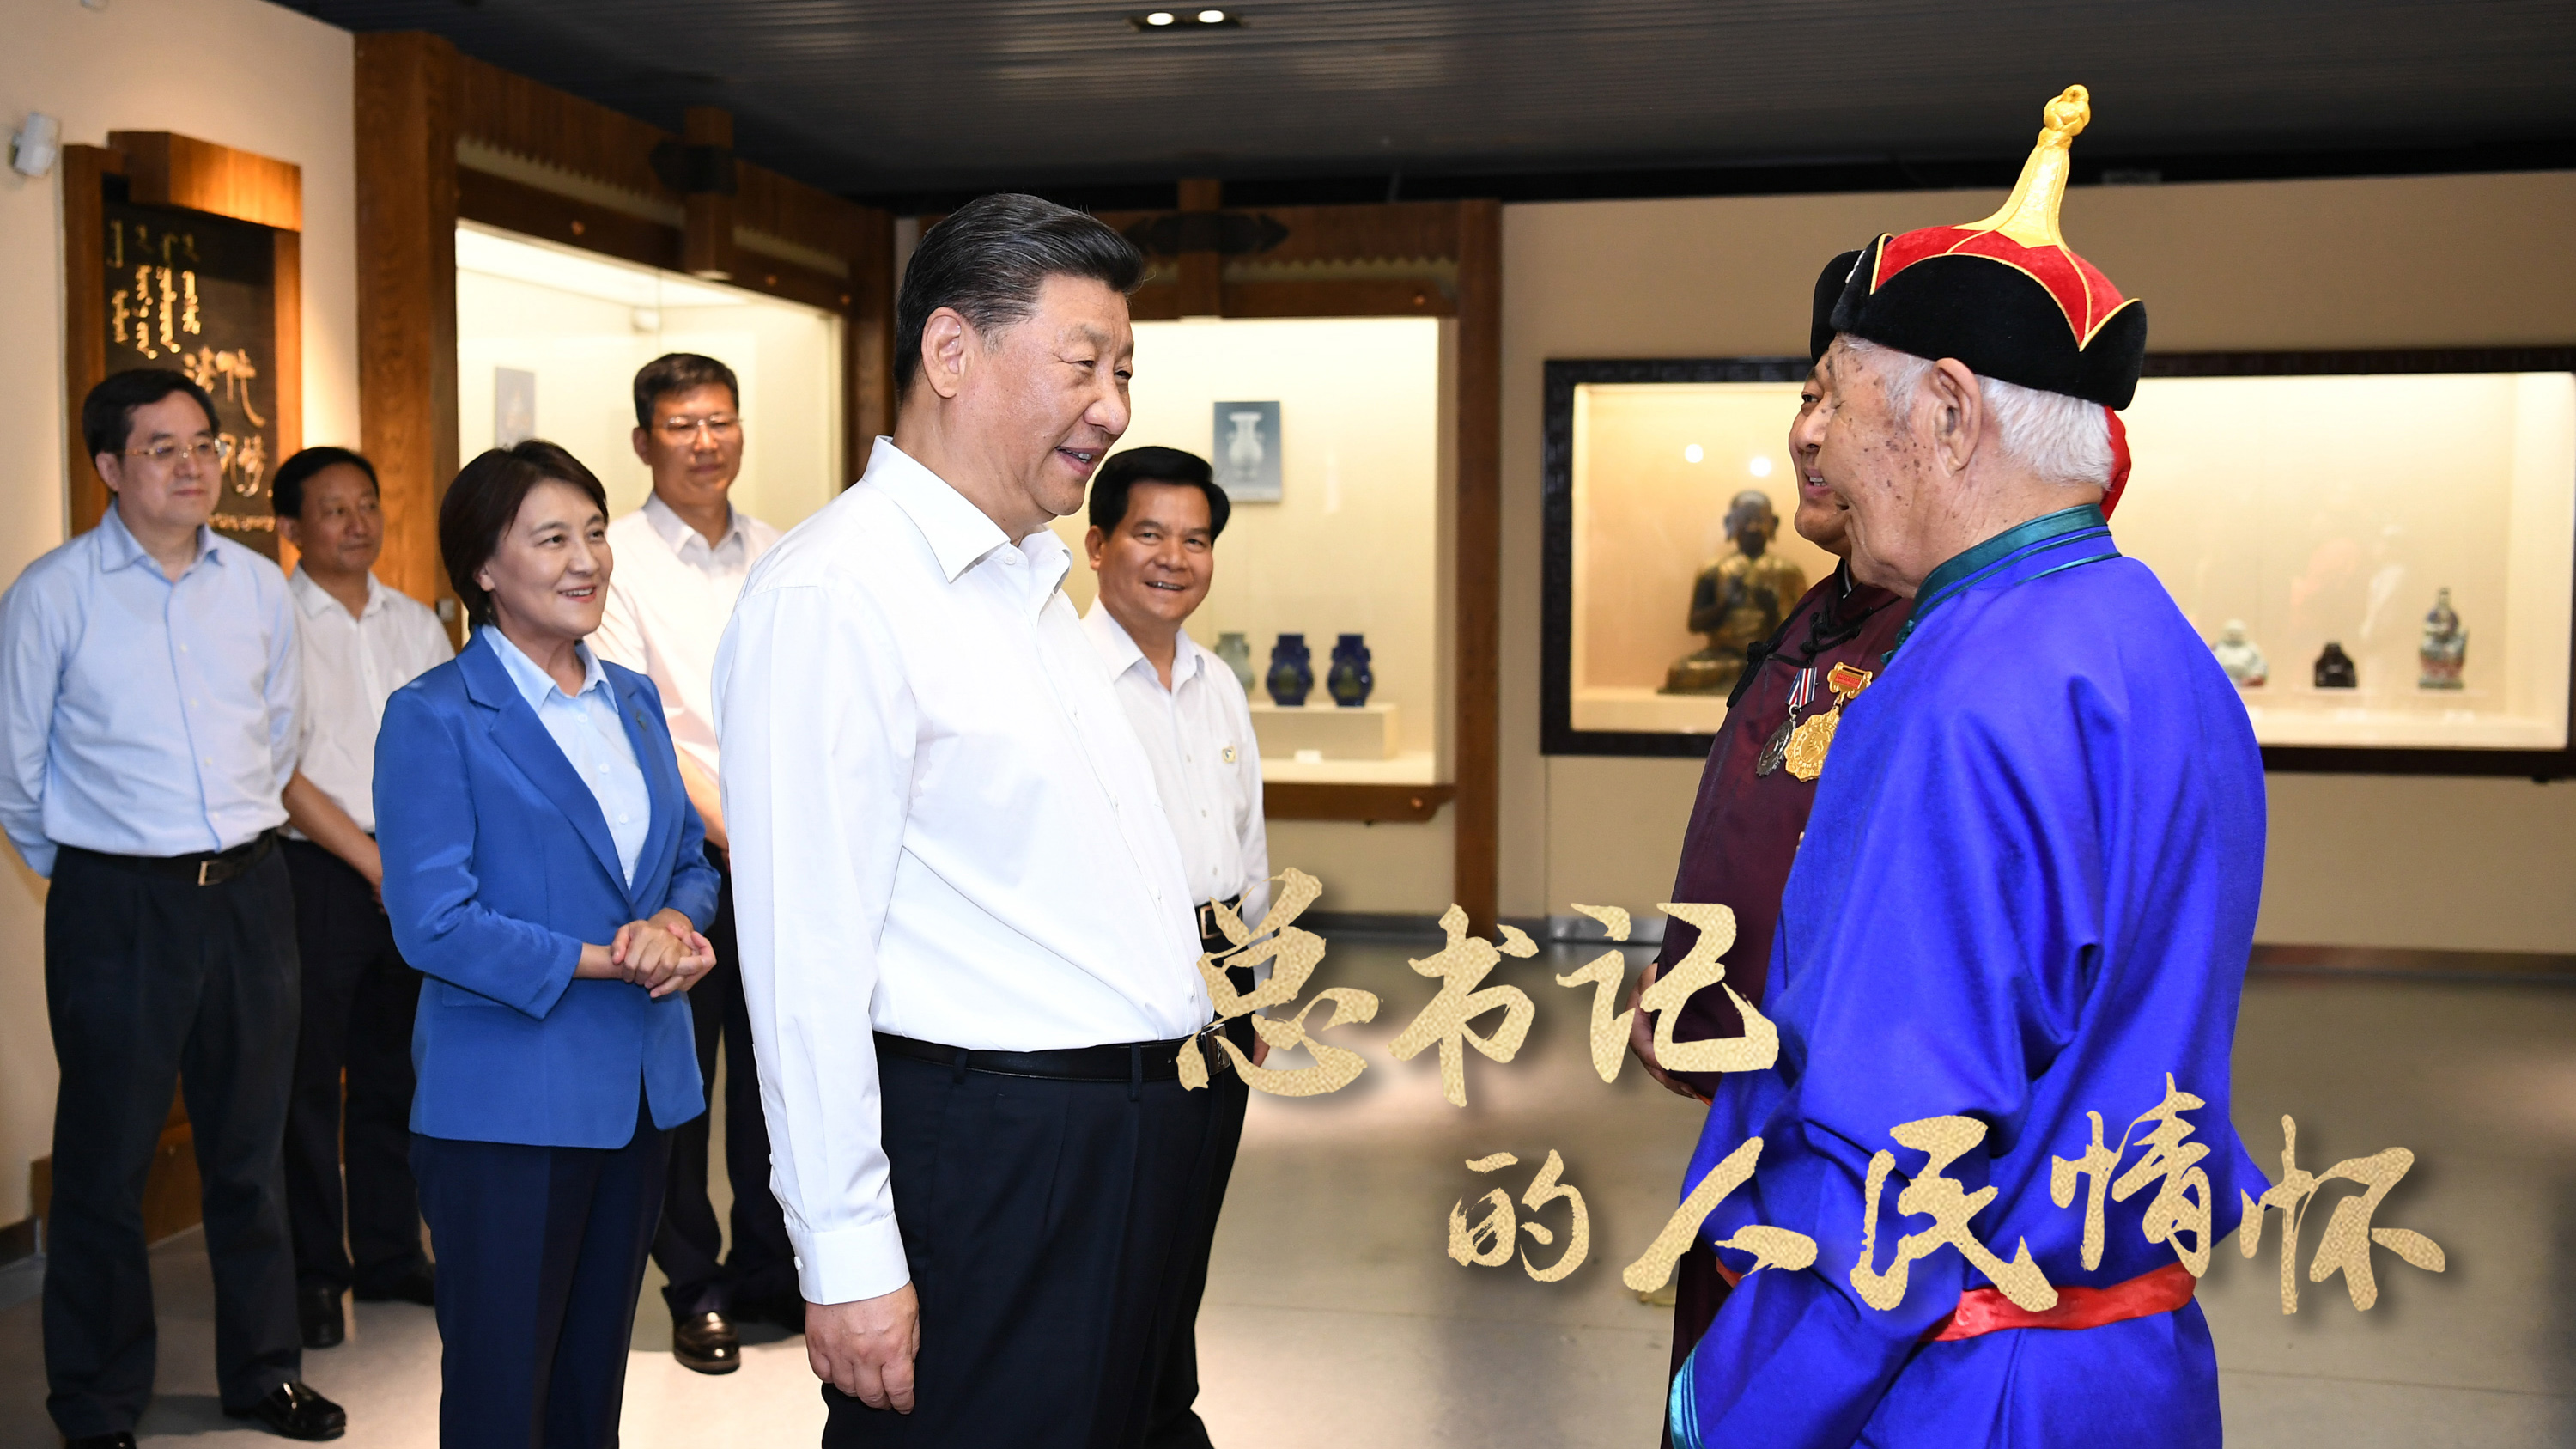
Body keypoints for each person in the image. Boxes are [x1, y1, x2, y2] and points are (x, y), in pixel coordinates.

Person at [1666, 87, 2262, 1449]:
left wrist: (1739, 1400)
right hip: (2132, 1364)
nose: (1809, 438)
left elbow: (1896, 1154)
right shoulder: (2163, 651)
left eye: (1835, 398)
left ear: (1944, 410)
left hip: (1955, 1383)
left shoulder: (1954, 691)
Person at [716, 192, 1215, 1446]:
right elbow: (802, 961)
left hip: (1117, 1147)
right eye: (1083, 364)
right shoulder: (838, 592)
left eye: (1125, 371)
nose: (1114, 408)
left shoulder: (1027, 584)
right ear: (952, 351)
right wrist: (844, 1254)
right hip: (993, 1155)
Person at [0, 369, 344, 1446]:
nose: (194, 465)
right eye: (163, 448)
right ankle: (97, 1397)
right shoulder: (54, 593)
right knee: (106, 1160)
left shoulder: (258, 586)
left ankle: (264, 1370)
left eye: (205, 443)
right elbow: (17, 771)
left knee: (250, 1147)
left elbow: (280, 733)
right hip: (119, 907)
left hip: (250, 893)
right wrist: (103, 871)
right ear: (110, 467)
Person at [375, 440, 720, 1447]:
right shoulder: (436, 715)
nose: (587, 560)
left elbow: (688, 861)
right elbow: (433, 920)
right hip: (508, 1105)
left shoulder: (633, 697)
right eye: (553, 538)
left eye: (597, 533)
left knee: (587, 1389)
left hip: (640, 1093)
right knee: (502, 1395)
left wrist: (675, 925)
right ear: (485, 566)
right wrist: (614, 959)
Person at [1625, 258, 1915, 1390]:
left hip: (1851, 1149)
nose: (1805, 434)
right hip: (1753, 1114)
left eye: (1837, 404)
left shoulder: (1949, 636)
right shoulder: (1829, 599)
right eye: (1805, 397)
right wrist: (1685, 981)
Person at [593, 351, 794, 1374]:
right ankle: (694, 1285)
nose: (705, 442)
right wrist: (742, 834)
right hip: (683, 864)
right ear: (644, 441)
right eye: (682, 425)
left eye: (721, 420)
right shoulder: (615, 559)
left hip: (787, 860)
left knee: (778, 1074)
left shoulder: (783, 552)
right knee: (684, 1081)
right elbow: (643, 727)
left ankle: (768, 1266)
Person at [1078, 445, 1271, 1449]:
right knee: (1119, 1232)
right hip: (1121, 982)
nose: (1173, 558)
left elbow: (1247, 848)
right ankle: (1118, 1416)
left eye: (1195, 540)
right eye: (1148, 533)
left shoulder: (1216, 681)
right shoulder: (1066, 682)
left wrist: (1255, 991)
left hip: (1220, 978)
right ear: (1096, 543)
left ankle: (1164, 1412)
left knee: (1187, 1222)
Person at [270, 445, 452, 1351]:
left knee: (397, 1070)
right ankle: (314, 1273)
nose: (356, 523)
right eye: (334, 508)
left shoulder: (415, 621)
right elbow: (277, 768)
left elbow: (448, 749)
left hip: (410, 867)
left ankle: (389, 1253)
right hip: (315, 870)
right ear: (291, 528)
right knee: (308, 1081)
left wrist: (413, 863)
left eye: (367, 504)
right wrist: (374, 864)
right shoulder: (272, 622)